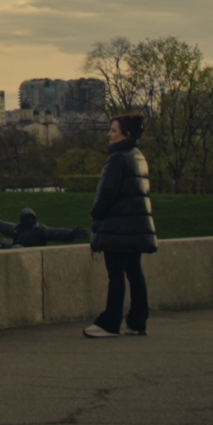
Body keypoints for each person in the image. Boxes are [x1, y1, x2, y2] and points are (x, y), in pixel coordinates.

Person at [84, 113, 157, 338]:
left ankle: (110, 322)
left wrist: (95, 213)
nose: (109, 134)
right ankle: (137, 322)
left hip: (118, 226)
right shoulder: (138, 156)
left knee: (115, 274)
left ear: (126, 134)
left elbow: (108, 192)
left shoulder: (118, 158)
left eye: (114, 130)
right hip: (135, 225)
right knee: (134, 272)